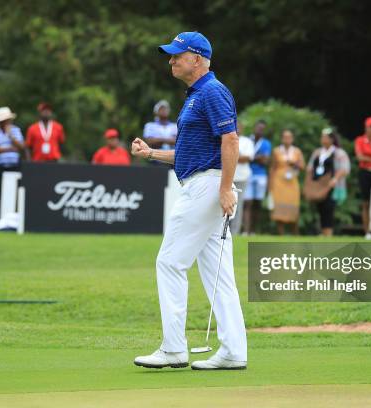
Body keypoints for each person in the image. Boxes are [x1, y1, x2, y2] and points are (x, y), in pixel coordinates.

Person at [131, 31, 246, 370]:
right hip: (206, 185)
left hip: (207, 188)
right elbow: (188, 153)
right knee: (217, 274)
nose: (171, 60)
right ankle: (234, 351)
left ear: (197, 59)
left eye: (177, 55)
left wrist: (226, 188)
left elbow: (231, 140)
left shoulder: (211, 91)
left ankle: (173, 348)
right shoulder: (197, 95)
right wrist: (151, 152)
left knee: (169, 262)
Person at [307, 128, 350, 236]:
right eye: (322, 137)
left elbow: (344, 169)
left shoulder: (339, 153)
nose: (323, 139)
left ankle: (328, 233)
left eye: (326, 137)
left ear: (332, 139)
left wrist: (335, 179)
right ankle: (322, 232)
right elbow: (310, 167)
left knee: (328, 209)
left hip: (332, 185)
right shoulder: (317, 152)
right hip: (318, 185)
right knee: (320, 208)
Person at [0, 107, 26, 222]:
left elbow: (21, 147)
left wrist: (10, 137)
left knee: (15, 193)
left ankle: (13, 219)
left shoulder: (15, 130)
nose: (7, 122)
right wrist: (11, 149)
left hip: (14, 166)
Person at [269, 129, 305, 235]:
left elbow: (303, 166)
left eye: (289, 137)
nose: (287, 139)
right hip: (279, 181)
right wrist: (270, 184)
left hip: (292, 182)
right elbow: (273, 167)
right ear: (281, 139)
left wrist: (294, 163)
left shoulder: (297, 151)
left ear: (292, 139)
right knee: (279, 206)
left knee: (293, 204)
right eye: (285, 137)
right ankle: (281, 233)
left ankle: (295, 233)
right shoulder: (276, 151)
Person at [242, 120, 271, 235]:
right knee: (247, 202)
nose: (260, 130)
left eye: (262, 129)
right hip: (248, 174)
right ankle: (245, 230)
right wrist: (257, 157)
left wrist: (251, 157)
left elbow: (265, 161)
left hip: (261, 175)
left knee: (257, 203)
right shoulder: (248, 141)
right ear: (254, 128)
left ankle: (253, 230)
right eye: (258, 128)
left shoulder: (266, 143)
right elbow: (245, 157)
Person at [231, 122, 254, 234]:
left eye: (239, 127)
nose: (237, 129)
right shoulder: (227, 138)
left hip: (241, 177)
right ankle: (223, 230)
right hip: (227, 176)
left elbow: (247, 158)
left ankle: (235, 231)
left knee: (237, 205)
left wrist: (232, 155)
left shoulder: (247, 141)